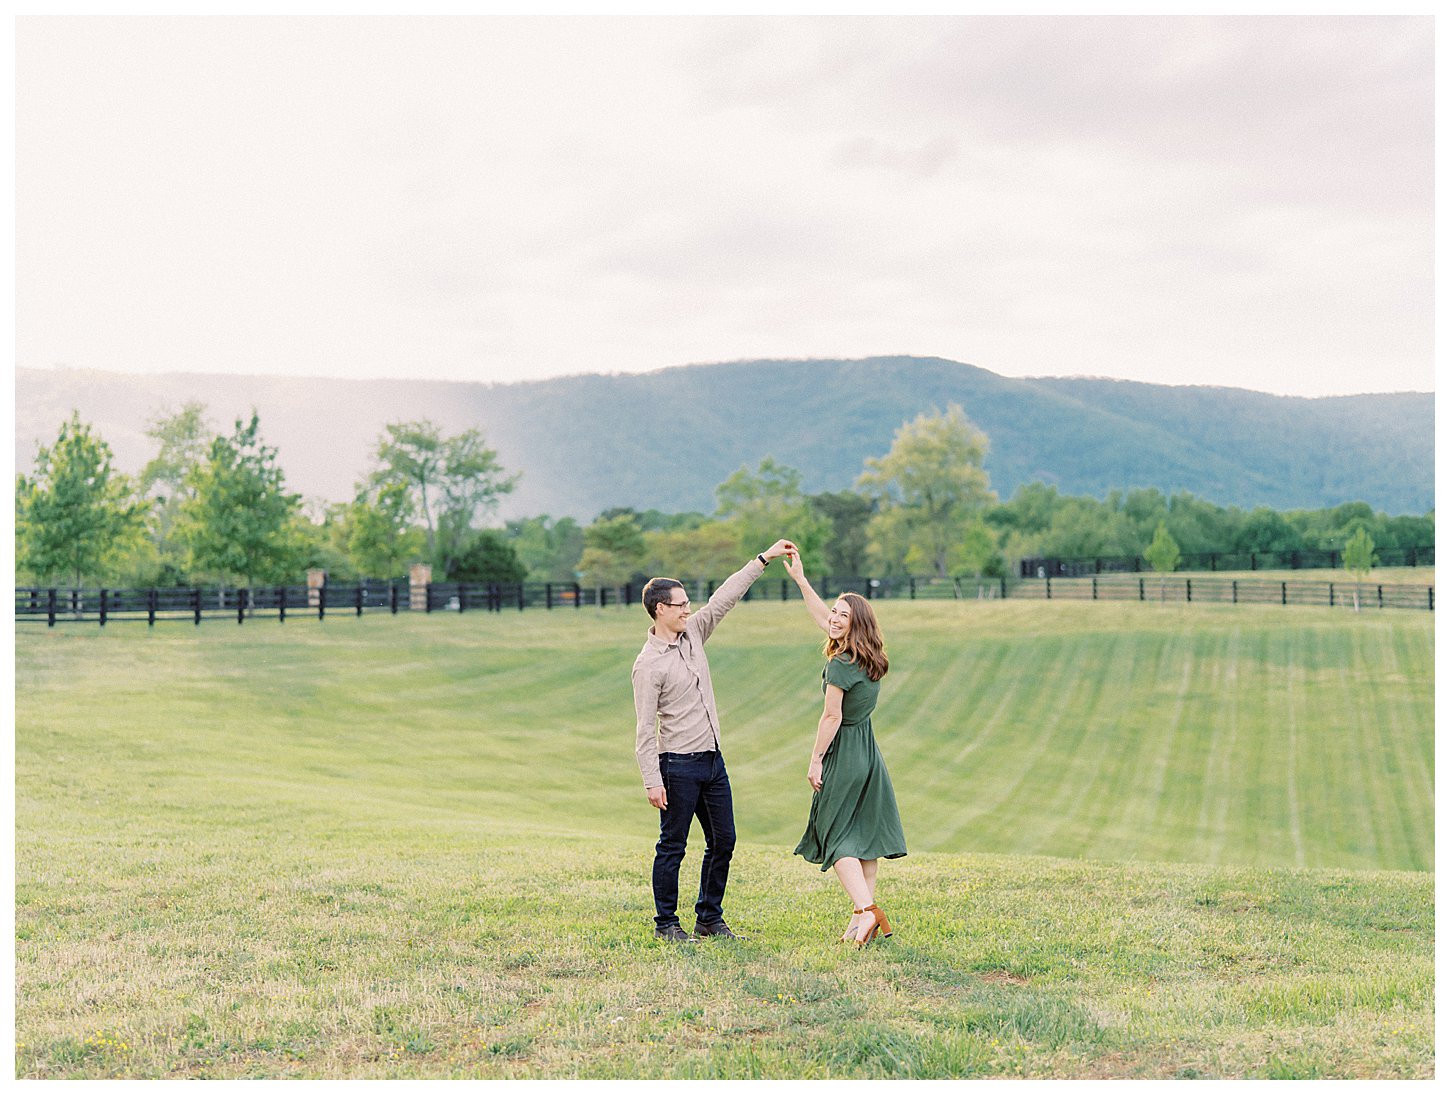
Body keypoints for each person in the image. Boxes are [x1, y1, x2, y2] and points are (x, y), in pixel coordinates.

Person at [633, 538, 798, 943]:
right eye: (680, 604)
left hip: (712, 762)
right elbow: (643, 728)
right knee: (672, 846)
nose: (688, 608)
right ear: (660, 610)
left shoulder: (694, 635)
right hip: (677, 765)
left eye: (688, 603)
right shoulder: (648, 664)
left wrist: (762, 560)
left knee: (724, 840)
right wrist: (652, 780)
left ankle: (708, 918)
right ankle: (666, 925)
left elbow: (724, 598)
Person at [782, 551, 906, 947]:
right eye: (833, 612)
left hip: (844, 753)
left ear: (855, 625)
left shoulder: (839, 664)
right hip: (869, 752)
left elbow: (831, 717)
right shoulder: (870, 657)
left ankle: (868, 913)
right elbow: (823, 620)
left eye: (841, 615)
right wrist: (802, 580)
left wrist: (816, 759)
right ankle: (860, 920)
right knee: (864, 837)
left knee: (836, 837)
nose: (832, 619)